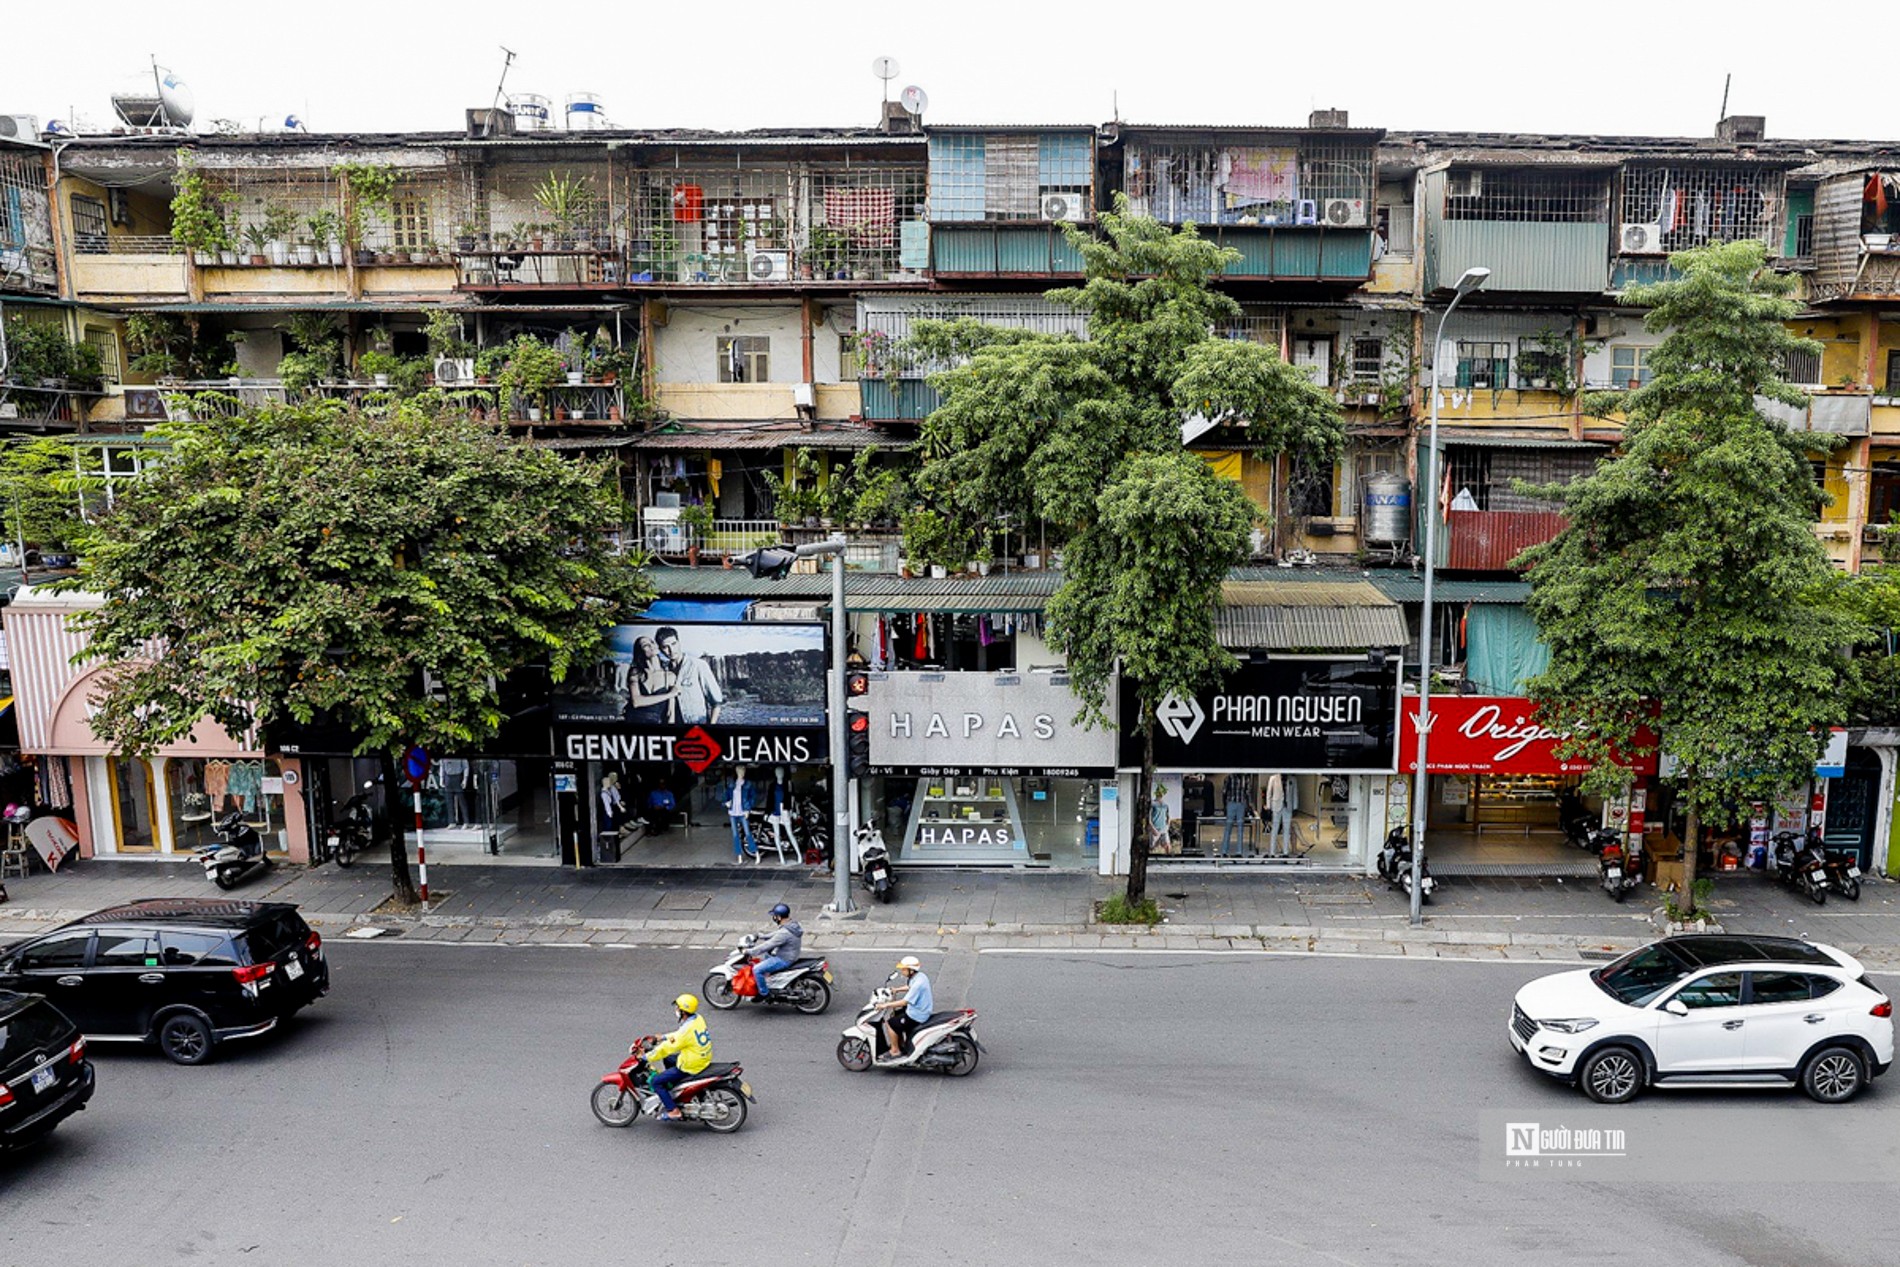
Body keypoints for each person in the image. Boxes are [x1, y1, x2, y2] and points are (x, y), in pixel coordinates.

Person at [644, 993, 712, 1121]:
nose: (676, 1010)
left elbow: (666, 1048)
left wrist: (646, 1057)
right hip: (702, 1058)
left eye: (678, 1008)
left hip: (690, 1065)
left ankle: (673, 1111)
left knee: (656, 1082)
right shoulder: (697, 1019)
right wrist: (663, 1037)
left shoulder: (686, 1031)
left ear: (683, 1011)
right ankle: (678, 1090)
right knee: (668, 1059)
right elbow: (679, 1035)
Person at [657, 627, 723, 725]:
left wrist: (711, 728)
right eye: (665, 647)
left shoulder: (698, 665)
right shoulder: (662, 671)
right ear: (660, 650)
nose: (671, 650)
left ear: (679, 642)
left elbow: (716, 702)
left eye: (674, 644)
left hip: (697, 726)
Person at [876, 955, 933, 1062]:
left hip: (917, 1015)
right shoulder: (920, 976)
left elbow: (904, 1002)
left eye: (904, 969)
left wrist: (885, 1005)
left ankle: (895, 1051)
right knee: (896, 1015)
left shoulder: (918, 984)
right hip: (919, 1009)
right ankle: (901, 1044)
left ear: (911, 970)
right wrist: (897, 990)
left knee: (890, 1023)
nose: (902, 971)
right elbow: (909, 987)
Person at [750, 903, 802, 998]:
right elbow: (778, 933)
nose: (773, 918)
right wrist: (763, 936)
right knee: (766, 956)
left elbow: (767, 945)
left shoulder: (784, 933)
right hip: (792, 955)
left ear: (778, 917)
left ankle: (764, 993)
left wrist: (750, 952)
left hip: (784, 959)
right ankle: (772, 982)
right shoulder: (793, 925)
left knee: (757, 969)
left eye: (774, 916)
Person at [625, 635, 677, 724]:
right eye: (645, 645)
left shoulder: (670, 676)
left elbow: (670, 712)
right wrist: (669, 694)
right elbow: (636, 701)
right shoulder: (635, 672)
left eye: (652, 642)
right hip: (633, 721)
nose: (651, 646)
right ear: (640, 652)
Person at [719, 765, 757, 863]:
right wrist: (726, 803)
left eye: (743, 771)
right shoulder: (732, 784)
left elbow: (752, 797)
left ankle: (755, 852)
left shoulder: (748, 784)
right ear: (736, 772)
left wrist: (748, 809)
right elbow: (725, 797)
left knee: (747, 833)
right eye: (739, 771)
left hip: (743, 811)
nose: (741, 773)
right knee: (735, 834)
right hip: (733, 812)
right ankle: (739, 855)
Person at [1219, 773, 1253, 858]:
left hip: (1241, 804)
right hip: (1231, 803)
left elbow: (1247, 793)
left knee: (1240, 828)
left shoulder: (1245, 779)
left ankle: (1239, 852)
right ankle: (1224, 851)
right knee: (1228, 827)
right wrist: (1224, 806)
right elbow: (1224, 792)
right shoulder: (1229, 778)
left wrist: (1248, 806)